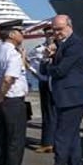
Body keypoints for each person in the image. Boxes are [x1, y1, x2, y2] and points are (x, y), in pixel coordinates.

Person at [42, 14, 83, 165]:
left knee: (62, 138)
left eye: (59, 29)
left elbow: (60, 71)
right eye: (54, 30)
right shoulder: (59, 45)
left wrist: (50, 62)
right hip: (65, 97)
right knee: (72, 139)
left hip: (72, 98)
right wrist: (47, 57)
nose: (56, 33)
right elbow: (44, 70)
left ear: (69, 26)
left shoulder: (75, 44)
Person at [0, 19, 29, 165]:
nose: (23, 34)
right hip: (12, 100)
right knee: (15, 139)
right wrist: (1, 97)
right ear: (12, 34)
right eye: (20, 31)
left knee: (1, 137)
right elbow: (8, 78)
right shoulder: (13, 54)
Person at [27, 25, 57, 153]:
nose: (50, 35)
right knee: (48, 113)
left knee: (61, 114)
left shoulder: (62, 47)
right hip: (46, 83)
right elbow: (33, 66)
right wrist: (40, 77)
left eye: (52, 33)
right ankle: (47, 142)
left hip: (59, 83)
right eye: (48, 33)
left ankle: (58, 142)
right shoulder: (38, 50)